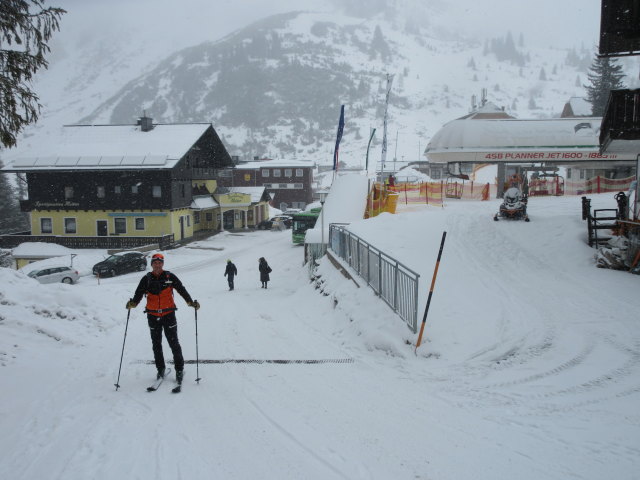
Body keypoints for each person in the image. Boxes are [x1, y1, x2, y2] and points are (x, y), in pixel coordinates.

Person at [126, 253, 200, 384]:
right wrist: (133, 303)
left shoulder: (170, 277)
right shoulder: (146, 279)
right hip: (152, 315)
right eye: (155, 263)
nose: (157, 265)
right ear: (152, 264)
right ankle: (160, 368)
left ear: (162, 264)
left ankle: (179, 369)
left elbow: (181, 289)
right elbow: (138, 293)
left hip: (168, 314)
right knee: (156, 344)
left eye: (159, 263)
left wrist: (190, 302)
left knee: (174, 343)